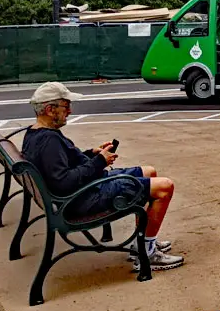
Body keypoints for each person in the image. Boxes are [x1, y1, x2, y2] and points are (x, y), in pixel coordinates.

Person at [22, 83, 184, 271]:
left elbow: (61, 166)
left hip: (81, 192)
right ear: (50, 109)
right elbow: (64, 182)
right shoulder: (49, 140)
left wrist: (92, 153)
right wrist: (99, 161)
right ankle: (146, 253)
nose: (70, 111)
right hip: (81, 199)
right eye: (66, 106)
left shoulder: (35, 134)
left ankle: (141, 242)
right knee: (165, 187)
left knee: (149, 171)